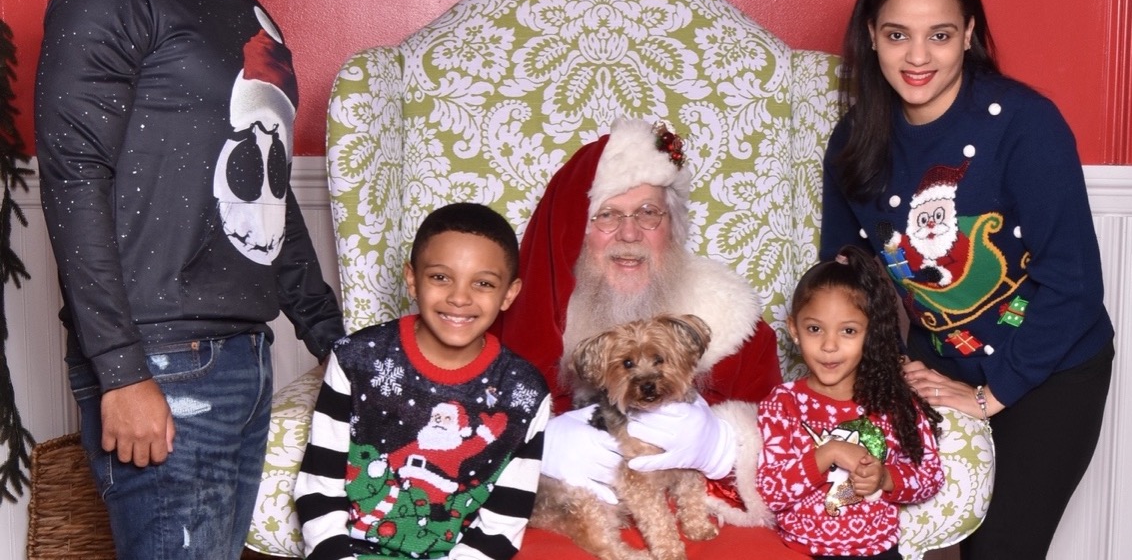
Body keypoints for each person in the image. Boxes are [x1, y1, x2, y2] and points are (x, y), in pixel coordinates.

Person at [34, 0, 344, 560]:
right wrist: (122, 371)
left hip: (244, 357)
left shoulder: (249, 12)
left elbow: (270, 193)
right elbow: (73, 179)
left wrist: (331, 335)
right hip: (162, 365)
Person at [819, 0, 1115, 560]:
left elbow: (1076, 287)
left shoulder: (1026, 125)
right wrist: (894, 373)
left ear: (970, 34)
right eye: (898, 34)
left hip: (1052, 370)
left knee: (999, 552)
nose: (919, 56)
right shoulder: (852, 142)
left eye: (941, 34)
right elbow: (847, 286)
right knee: (884, 536)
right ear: (872, 36)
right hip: (942, 365)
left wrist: (988, 397)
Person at [492, 116, 783, 538]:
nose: (629, 234)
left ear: (673, 228)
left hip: (705, 526)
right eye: (606, 216)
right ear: (577, 233)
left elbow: (789, 460)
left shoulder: (739, 327)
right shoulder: (523, 331)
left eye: (649, 214)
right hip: (567, 527)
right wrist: (538, 451)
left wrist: (724, 447)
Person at [295, 203, 551, 560]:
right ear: (412, 279)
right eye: (440, 277)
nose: (459, 298)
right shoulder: (357, 359)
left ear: (509, 293)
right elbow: (319, 489)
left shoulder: (524, 393)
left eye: (483, 283)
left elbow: (502, 524)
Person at [756, 246, 944, 559]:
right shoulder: (783, 404)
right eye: (815, 329)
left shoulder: (894, 400)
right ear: (795, 330)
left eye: (848, 331)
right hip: (800, 552)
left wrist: (885, 477)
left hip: (878, 553)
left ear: (870, 333)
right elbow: (768, 493)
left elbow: (930, 476)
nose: (829, 345)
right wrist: (828, 453)